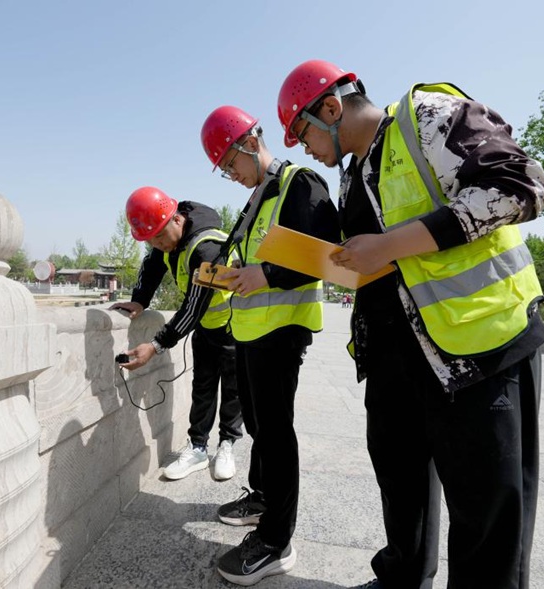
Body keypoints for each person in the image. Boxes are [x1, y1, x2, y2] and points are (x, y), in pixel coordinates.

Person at [277, 60, 544, 589]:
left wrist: (389, 245)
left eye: (303, 133)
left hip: (476, 346)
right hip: (393, 355)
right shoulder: (354, 172)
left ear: (331, 108)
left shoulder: (427, 117)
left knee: (485, 504)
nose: (303, 147)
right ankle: (402, 577)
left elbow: (522, 186)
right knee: (400, 481)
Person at [200, 105, 341, 586]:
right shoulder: (259, 197)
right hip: (251, 329)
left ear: (248, 144)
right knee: (259, 422)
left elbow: (330, 252)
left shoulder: (301, 182)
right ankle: (262, 496)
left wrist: (268, 274)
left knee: (276, 430)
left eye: (230, 165)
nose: (232, 176)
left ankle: (276, 540)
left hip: (282, 330)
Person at [110, 187, 242, 481]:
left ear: (177, 220)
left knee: (233, 391)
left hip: (233, 326)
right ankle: (197, 447)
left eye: (159, 236)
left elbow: (194, 306)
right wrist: (140, 299)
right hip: (206, 329)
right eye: (150, 239)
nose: (157, 244)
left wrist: (156, 345)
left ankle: (227, 444)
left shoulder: (208, 248)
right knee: (203, 388)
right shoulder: (166, 240)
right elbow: (153, 266)